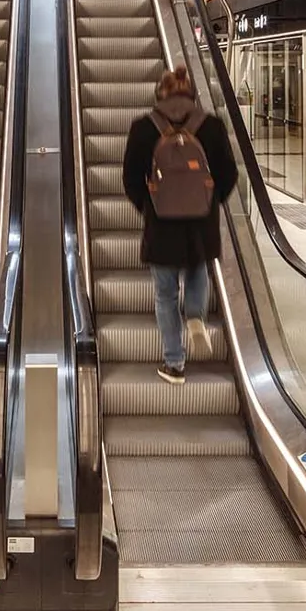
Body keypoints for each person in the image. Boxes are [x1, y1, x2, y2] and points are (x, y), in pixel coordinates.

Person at [120, 65, 239, 385]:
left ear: (160, 94)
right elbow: (229, 175)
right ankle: (197, 317)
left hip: (161, 226)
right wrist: (209, 202)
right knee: (198, 270)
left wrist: (149, 207)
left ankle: (174, 363)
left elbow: (131, 179)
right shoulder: (211, 126)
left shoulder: (144, 128)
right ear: (192, 94)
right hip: (201, 221)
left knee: (165, 294)